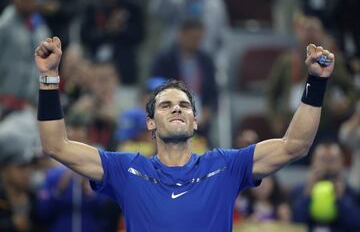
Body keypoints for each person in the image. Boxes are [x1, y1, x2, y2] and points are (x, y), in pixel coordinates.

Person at [35, 36, 335, 231]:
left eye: (183, 105)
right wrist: (49, 77)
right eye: (166, 105)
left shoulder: (226, 166)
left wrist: (317, 83)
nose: (176, 109)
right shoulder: (125, 169)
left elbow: (295, 144)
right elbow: (56, 145)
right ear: (150, 122)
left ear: (195, 121)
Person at [290, 142, 360, 231]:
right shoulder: (299, 190)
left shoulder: (352, 193)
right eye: (323, 160)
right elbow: (295, 221)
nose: (327, 165)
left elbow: (356, 224)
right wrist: (308, 192)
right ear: (313, 161)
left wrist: (341, 198)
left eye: (332, 160)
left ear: (342, 162)